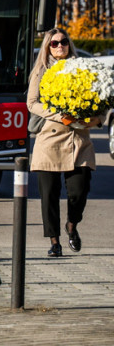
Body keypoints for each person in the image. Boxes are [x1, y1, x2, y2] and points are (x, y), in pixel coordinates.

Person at [26, 28, 100, 257]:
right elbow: (32, 103)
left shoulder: (83, 69)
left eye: (64, 42)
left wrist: (96, 119)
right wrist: (58, 115)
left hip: (79, 139)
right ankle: (55, 242)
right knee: (49, 195)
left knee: (79, 191)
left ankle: (72, 225)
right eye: (54, 43)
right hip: (50, 138)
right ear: (48, 46)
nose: (60, 47)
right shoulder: (41, 71)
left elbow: (102, 98)